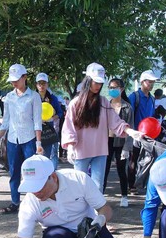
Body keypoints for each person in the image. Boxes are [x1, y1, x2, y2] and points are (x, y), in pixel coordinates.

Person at [61, 63, 142, 192]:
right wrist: (70, 146)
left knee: (97, 186)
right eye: (95, 82)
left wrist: (131, 132)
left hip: (100, 150)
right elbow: (69, 126)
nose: (98, 86)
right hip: (81, 150)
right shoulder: (75, 103)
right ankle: (80, 211)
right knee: (79, 185)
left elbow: (115, 121)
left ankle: (96, 212)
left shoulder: (104, 102)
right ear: (88, 80)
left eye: (100, 83)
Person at [0, 64, 43, 215]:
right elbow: (6, 120)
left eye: (17, 80)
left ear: (25, 77)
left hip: (29, 139)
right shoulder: (9, 97)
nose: (14, 83)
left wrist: (38, 142)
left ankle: (34, 202)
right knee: (14, 172)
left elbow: (37, 120)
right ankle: (15, 202)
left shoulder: (34, 96)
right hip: (12, 139)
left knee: (31, 172)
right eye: (12, 81)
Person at [102, 78, 133, 207]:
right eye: (110, 87)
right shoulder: (105, 105)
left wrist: (127, 147)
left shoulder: (127, 107)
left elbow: (130, 127)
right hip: (106, 141)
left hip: (120, 142)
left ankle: (124, 196)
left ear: (121, 89)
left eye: (115, 87)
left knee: (121, 169)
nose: (112, 90)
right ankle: (100, 196)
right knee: (104, 169)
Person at [127, 70, 158, 192]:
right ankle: (131, 185)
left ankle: (144, 183)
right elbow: (128, 114)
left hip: (149, 135)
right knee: (133, 159)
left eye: (153, 82)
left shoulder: (152, 99)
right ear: (142, 82)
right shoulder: (134, 96)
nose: (151, 84)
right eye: (149, 82)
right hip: (135, 133)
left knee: (148, 159)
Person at [35, 72, 64, 171]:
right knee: (35, 155)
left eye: (44, 83)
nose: (42, 86)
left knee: (47, 155)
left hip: (48, 130)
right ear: (36, 85)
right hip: (34, 130)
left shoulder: (53, 98)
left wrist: (52, 118)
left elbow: (60, 113)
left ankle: (47, 175)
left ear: (47, 84)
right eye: (39, 83)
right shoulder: (32, 97)